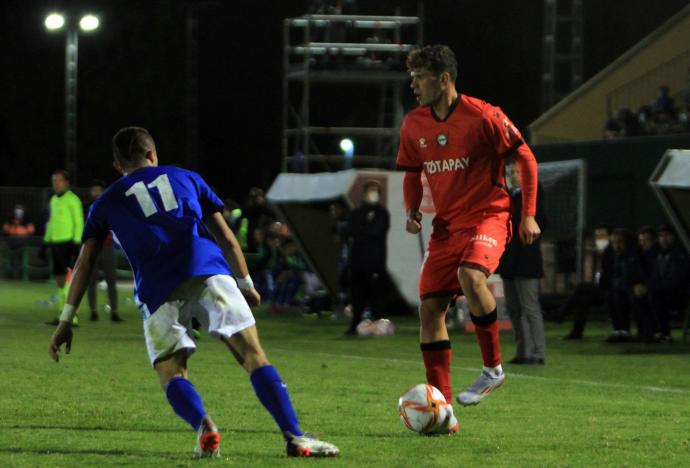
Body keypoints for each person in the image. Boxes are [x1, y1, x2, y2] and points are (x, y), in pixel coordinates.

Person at [48, 127, 339, 458]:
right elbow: (227, 238)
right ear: (152, 154)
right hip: (209, 270)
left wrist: (66, 319)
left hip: (158, 287)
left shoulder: (107, 201)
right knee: (253, 355)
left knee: (171, 371)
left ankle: (204, 426)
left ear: (117, 165)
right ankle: (294, 436)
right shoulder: (186, 177)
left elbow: (85, 263)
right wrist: (246, 284)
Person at [396, 45, 541, 421]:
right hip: (447, 227)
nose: (413, 84)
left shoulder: (483, 116)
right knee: (430, 310)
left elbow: (525, 156)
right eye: (411, 77)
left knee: (471, 275)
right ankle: (443, 411)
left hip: (487, 216)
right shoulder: (414, 124)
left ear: (443, 79)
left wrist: (527, 215)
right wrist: (412, 209)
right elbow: (413, 172)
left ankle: (493, 369)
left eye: (420, 76)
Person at [496, 164, 547, 365]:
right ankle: (523, 351)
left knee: (530, 308)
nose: (515, 176)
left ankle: (537, 352)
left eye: (518, 172)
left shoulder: (533, 195)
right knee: (514, 309)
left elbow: (540, 222)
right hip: (509, 261)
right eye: (512, 173)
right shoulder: (508, 197)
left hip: (526, 260)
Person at [342, 181, 390, 335]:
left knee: (376, 295)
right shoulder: (356, 213)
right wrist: (364, 230)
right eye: (370, 190)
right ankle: (355, 324)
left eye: (375, 190)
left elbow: (375, 232)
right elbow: (347, 231)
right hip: (357, 262)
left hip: (375, 262)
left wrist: (359, 231)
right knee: (357, 296)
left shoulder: (382, 213)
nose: (372, 193)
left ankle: (379, 326)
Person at [41, 169, 84, 326]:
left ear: (66, 182)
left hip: (69, 244)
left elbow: (79, 223)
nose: (56, 184)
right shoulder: (54, 200)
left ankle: (72, 317)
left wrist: (76, 244)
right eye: (54, 181)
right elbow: (52, 222)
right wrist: (45, 243)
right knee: (59, 281)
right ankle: (61, 314)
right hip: (56, 245)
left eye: (58, 181)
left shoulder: (73, 200)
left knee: (69, 282)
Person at [561, 225, 615, 340]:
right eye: (597, 236)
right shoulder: (602, 253)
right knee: (583, 299)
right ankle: (576, 332)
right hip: (602, 288)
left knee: (582, 287)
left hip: (611, 289)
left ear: (610, 237)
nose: (599, 239)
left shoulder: (612, 252)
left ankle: (560, 315)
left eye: (602, 236)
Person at [85, 180, 123, 322]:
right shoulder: (88, 208)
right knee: (91, 280)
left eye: (99, 190)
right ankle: (93, 312)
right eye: (94, 191)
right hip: (93, 246)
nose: (97, 193)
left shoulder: (109, 207)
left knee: (111, 280)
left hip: (107, 247)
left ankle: (114, 312)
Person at [649, 224, 690, 342]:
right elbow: (656, 275)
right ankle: (653, 331)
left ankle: (664, 333)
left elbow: (678, 277)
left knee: (657, 297)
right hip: (664, 290)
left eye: (666, 235)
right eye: (661, 236)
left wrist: (658, 286)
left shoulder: (681, 253)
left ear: (673, 237)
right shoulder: (659, 254)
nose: (663, 238)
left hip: (679, 292)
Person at [2, 204, 36, 279]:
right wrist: (13, 225)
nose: (18, 212)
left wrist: (23, 231)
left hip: (22, 245)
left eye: (20, 210)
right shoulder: (10, 220)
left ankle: (21, 276)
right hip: (11, 245)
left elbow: (31, 230)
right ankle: (10, 276)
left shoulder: (27, 220)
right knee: (11, 260)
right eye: (17, 210)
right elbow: (5, 230)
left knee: (21, 261)